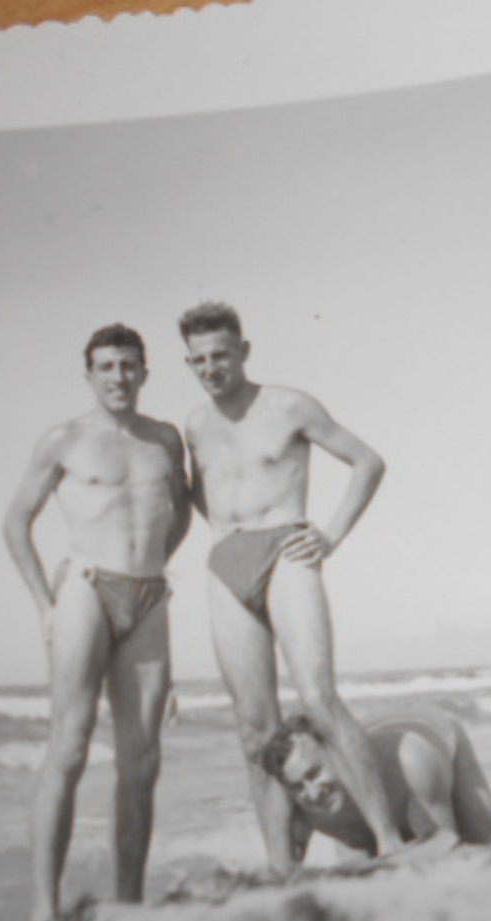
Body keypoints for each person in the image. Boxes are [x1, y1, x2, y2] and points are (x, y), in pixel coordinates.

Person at [180, 300, 406, 871]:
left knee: (317, 698)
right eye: (200, 359)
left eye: (222, 355)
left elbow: (368, 462)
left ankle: (390, 842)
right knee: (254, 730)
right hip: (225, 563)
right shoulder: (195, 426)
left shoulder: (289, 406)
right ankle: (283, 868)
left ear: (244, 351)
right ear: (190, 362)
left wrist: (329, 536)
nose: (212, 368)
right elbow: (199, 494)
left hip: (286, 549)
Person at [3, 323, 191, 921]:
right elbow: (15, 523)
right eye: (106, 366)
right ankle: (43, 911)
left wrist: (156, 565)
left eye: (129, 365)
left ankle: (129, 908)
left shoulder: (164, 440)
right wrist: (44, 605)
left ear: (145, 371)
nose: (119, 377)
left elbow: (181, 512)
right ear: (88, 374)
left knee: (142, 761)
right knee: (71, 746)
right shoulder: (63, 439)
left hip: (149, 596)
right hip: (85, 587)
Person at [261, 704, 491, 858]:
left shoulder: (411, 763)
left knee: (486, 841)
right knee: (358, 870)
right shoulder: (300, 808)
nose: (313, 793)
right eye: (298, 786)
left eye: (315, 773)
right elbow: (284, 877)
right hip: (377, 728)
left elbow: (446, 861)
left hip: (426, 729)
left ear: (338, 753)